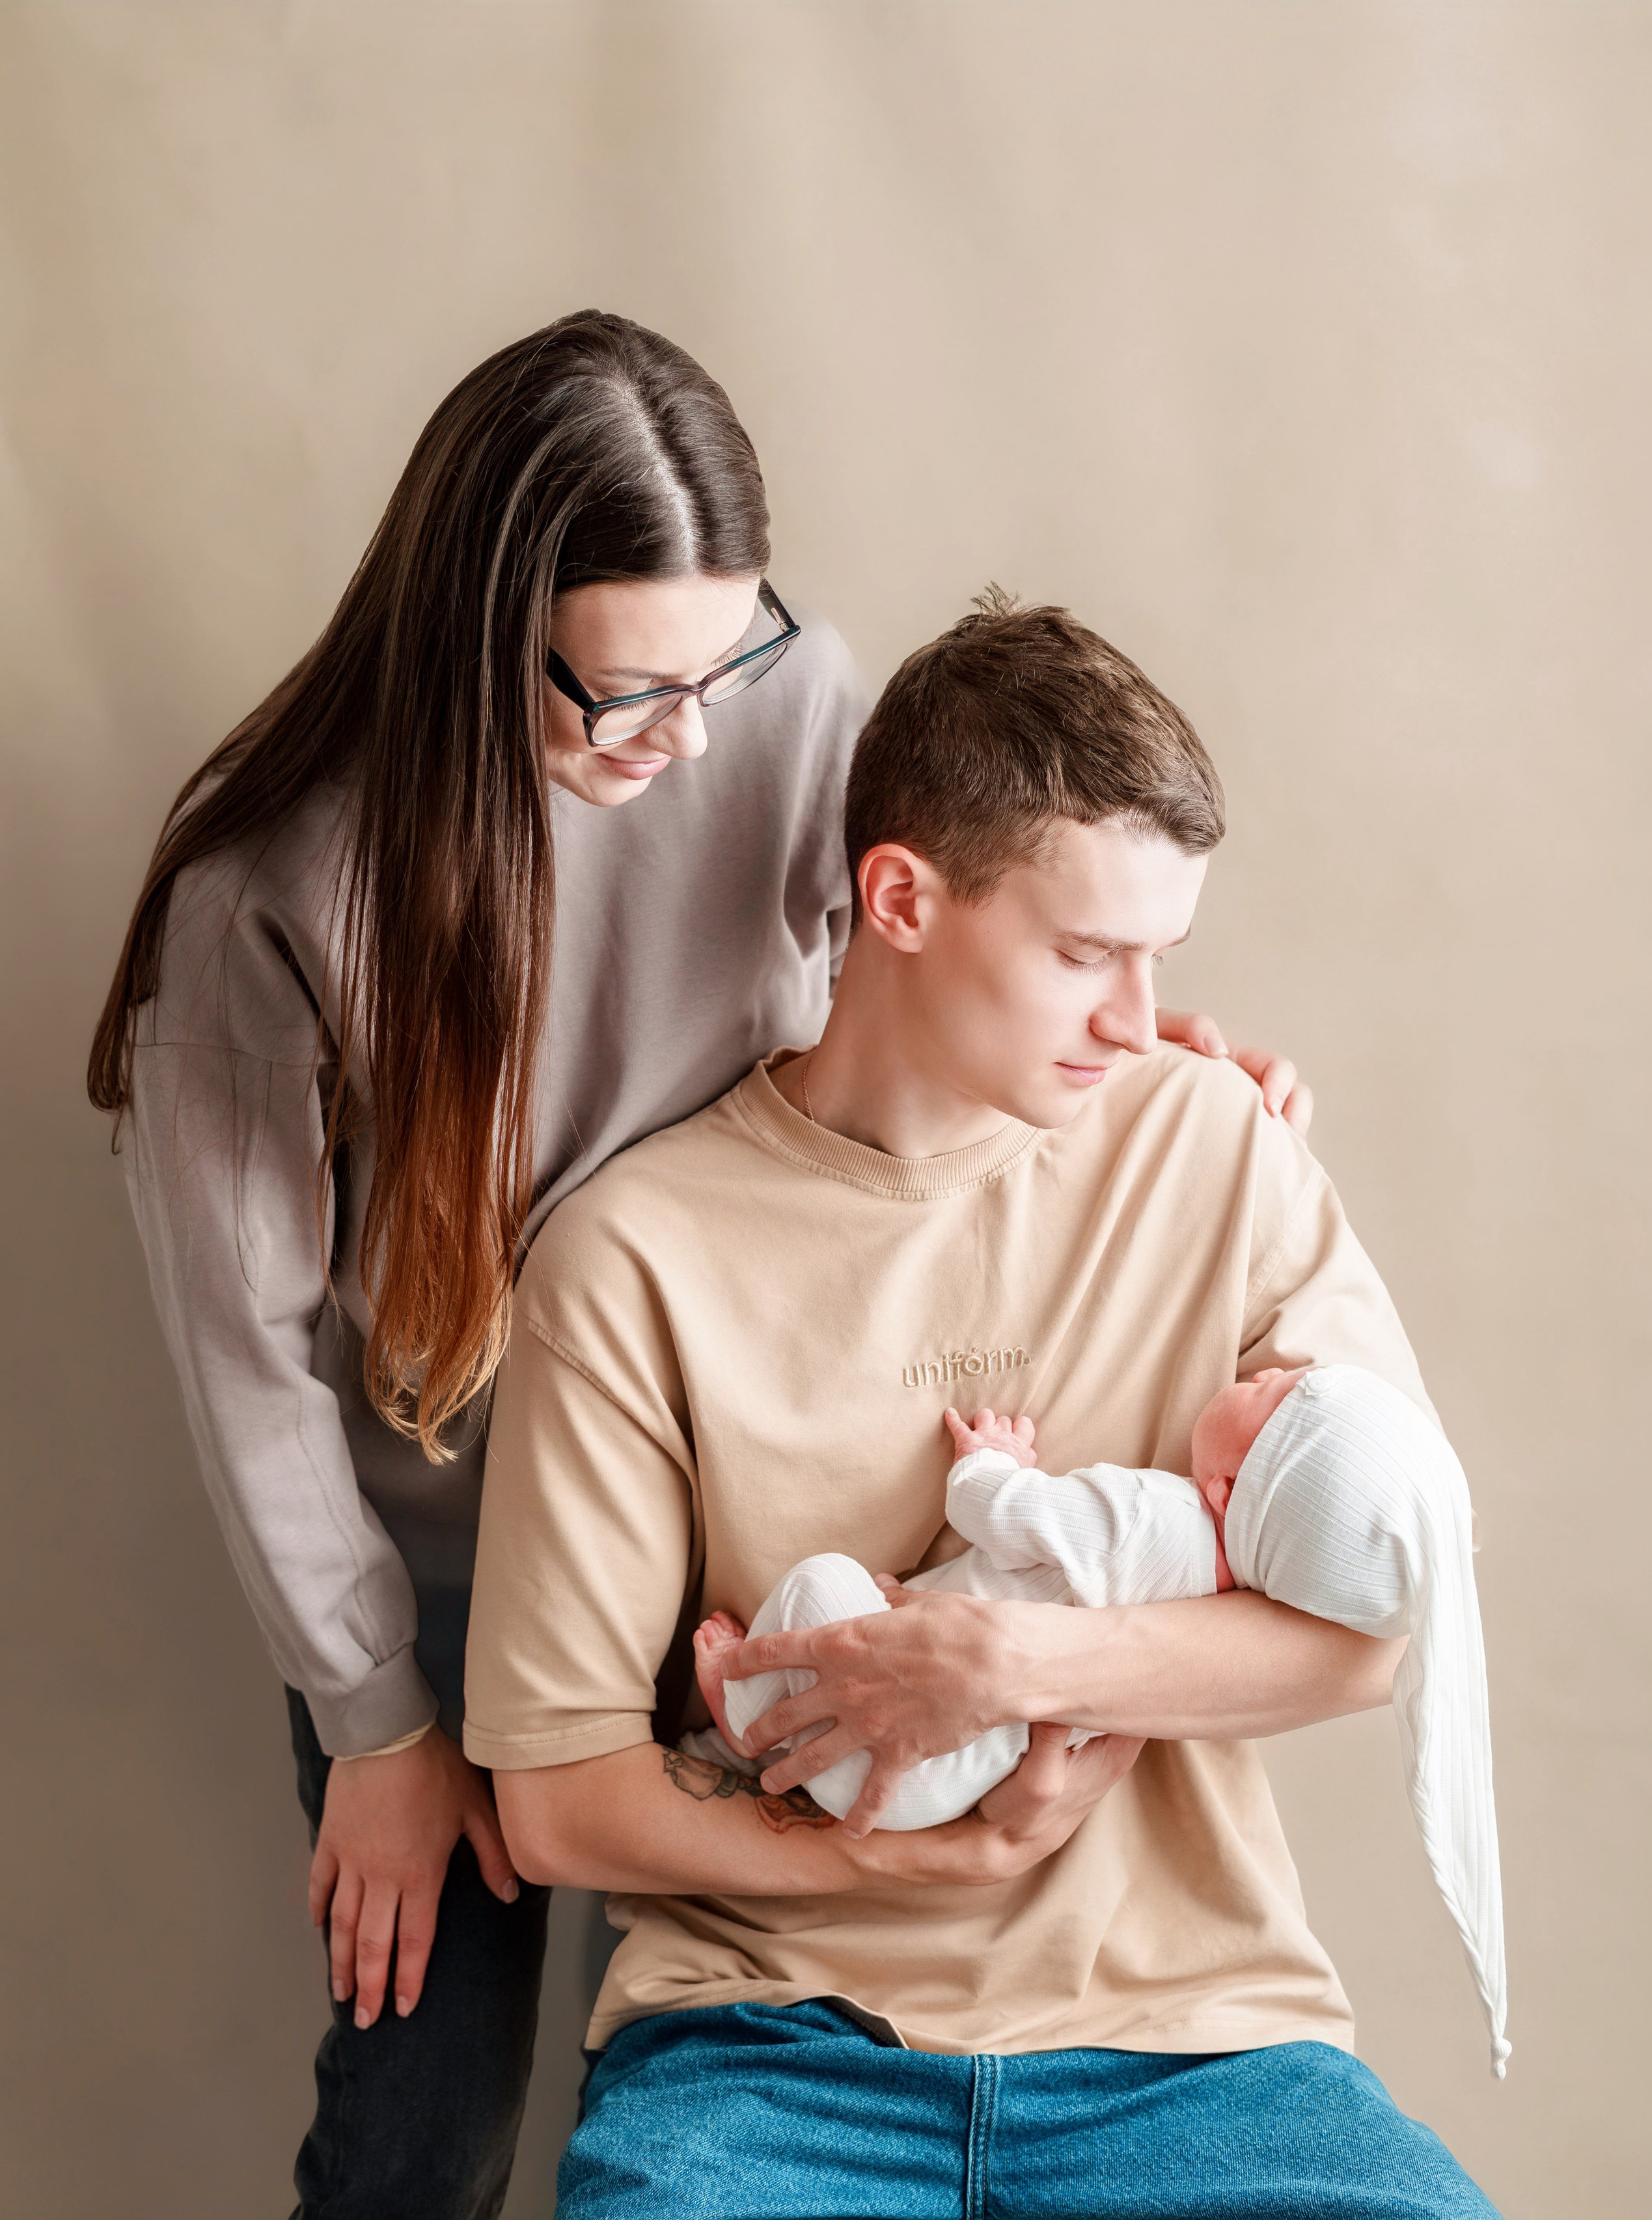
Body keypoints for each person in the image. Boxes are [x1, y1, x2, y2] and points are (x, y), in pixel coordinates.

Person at [88, 323, 1290, 2220]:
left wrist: (1126, 1042)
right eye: (634, 691)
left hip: (739, 1491)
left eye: (729, 661)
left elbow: (934, 947)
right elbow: (246, 1360)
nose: (700, 739)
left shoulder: (778, 696)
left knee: (708, 2040)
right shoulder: (266, 900)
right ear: (480, 639)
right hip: (440, 1584)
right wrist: (375, 1720)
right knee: (427, 2115)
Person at [464, 594, 1500, 2217]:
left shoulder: (1215, 1150)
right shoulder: (629, 1258)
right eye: (1083, 955)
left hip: (1196, 2048)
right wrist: (898, 1855)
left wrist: (1007, 1663)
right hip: (765, 2054)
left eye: (1157, 959)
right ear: (900, 899)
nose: (1135, 1019)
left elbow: (1376, 1628)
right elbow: (556, 1796)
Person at [695, 1363, 1509, 2079]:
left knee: (819, 1583)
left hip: (894, 1761)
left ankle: (744, 1709)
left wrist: (992, 1460)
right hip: (943, 1797)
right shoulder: (1214, 1609)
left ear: (1229, 1489)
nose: (1266, 1371)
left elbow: (994, 1511)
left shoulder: (1146, 1512)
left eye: (1273, 1393)